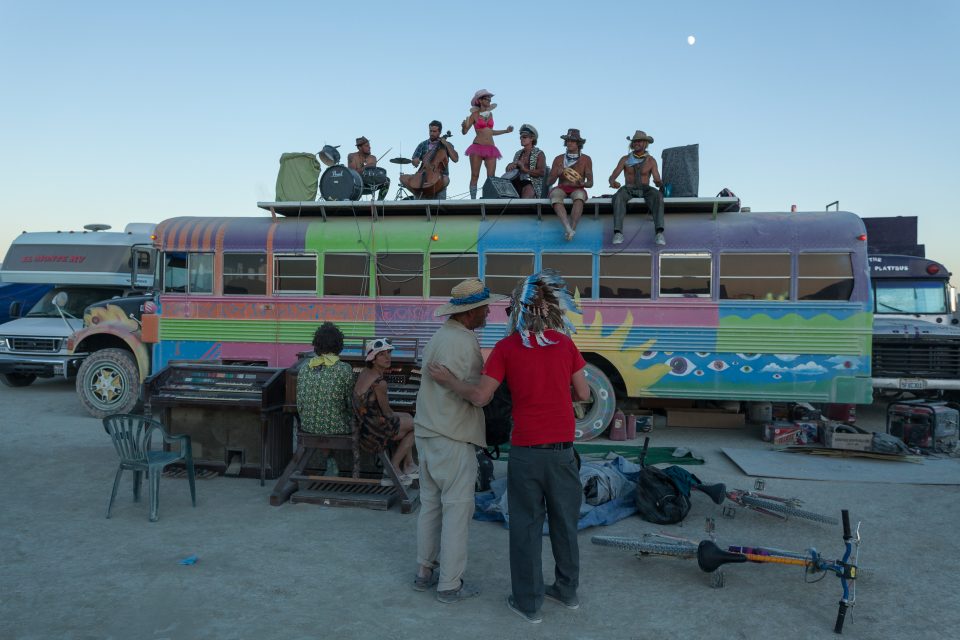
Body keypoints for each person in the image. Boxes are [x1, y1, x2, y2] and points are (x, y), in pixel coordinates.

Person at [428, 270, 589, 624]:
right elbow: (584, 393)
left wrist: (450, 380)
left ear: (516, 310)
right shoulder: (565, 345)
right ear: (552, 310)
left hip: (527, 452)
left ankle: (529, 604)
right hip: (562, 452)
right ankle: (567, 591)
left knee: (527, 527)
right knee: (564, 523)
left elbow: (482, 396)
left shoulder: (505, 348)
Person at [412, 278, 506, 603]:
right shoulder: (465, 342)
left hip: (426, 432)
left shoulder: (440, 336)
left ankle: (424, 571)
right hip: (452, 436)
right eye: (484, 308)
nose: (489, 313)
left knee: (430, 506)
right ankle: (450, 584)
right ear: (470, 313)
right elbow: (478, 396)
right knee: (457, 511)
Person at [353, 338, 417, 484]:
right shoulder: (379, 383)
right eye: (382, 354)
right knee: (417, 426)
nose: (388, 357)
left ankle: (408, 465)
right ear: (373, 359)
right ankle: (393, 467)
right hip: (373, 432)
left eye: (389, 352)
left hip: (364, 425)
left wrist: (404, 418)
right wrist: (405, 421)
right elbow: (388, 413)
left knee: (408, 416)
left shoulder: (364, 372)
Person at [296, 322, 355, 476]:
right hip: (336, 428)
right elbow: (350, 404)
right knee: (363, 421)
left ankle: (330, 459)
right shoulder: (344, 369)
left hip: (309, 425)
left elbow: (300, 403)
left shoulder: (304, 367)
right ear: (338, 345)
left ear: (316, 345)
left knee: (325, 415)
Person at [608, 130, 665, 246]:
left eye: (640, 141)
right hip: (628, 188)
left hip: (645, 189)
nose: (637, 143)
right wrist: (613, 182)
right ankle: (618, 232)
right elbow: (612, 176)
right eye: (635, 141)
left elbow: (657, 178)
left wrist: (659, 183)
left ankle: (659, 232)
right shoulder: (625, 159)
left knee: (658, 196)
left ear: (645, 144)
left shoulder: (651, 160)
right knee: (618, 197)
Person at [461, 89, 514, 199]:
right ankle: (473, 199)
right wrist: (463, 126)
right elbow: (465, 132)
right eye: (486, 98)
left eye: (490, 98)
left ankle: (489, 198)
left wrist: (505, 131)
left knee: (491, 176)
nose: (489, 100)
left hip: (490, 148)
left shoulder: (491, 115)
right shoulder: (474, 115)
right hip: (477, 146)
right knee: (475, 175)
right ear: (479, 100)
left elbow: (490, 132)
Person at [547, 129, 593, 241]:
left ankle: (572, 229)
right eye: (567, 140)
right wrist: (557, 174)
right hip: (562, 187)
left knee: (579, 197)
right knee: (555, 195)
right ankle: (567, 227)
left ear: (578, 143)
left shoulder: (586, 159)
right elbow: (549, 182)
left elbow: (590, 183)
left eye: (572, 141)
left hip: (577, 188)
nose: (569, 143)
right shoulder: (558, 159)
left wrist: (583, 183)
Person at [410, 120, 459, 200]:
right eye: (430, 131)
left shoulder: (447, 145)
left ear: (439, 132)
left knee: (439, 207)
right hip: (424, 178)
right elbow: (415, 159)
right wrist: (415, 161)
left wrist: (446, 144)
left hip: (440, 178)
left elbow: (455, 159)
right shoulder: (422, 144)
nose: (432, 133)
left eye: (434, 131)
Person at [504, 124, 547, 199]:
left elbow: (542, 172)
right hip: (516, 183)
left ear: (532, 138)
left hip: (532, 184)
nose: (521, 139)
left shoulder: (539, 153)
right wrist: (509, 166)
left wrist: (524, 169)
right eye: (520, 137)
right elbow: (512, 173)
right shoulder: (518, 153)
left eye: (524, 137)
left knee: (524, 202)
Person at [347, 136, 390, 201]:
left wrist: (368, 167)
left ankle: (379, 202)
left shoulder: (372, 158)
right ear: (359, 147)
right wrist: (366, 167)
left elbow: (371, 174)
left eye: (369, 145)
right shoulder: (352, 156)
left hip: (369, 185)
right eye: (366, 146)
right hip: (356, 185)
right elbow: (352, 174)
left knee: (387, 181)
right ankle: (353, 202)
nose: (369, 147)